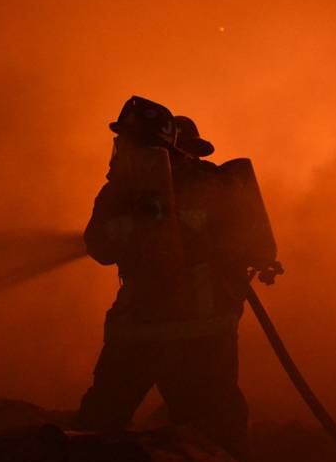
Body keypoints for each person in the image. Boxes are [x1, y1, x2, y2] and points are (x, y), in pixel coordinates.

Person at [74, 96, 250, 460]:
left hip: (140, 334)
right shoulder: (213, 185)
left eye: (125, 141)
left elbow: (99, 246)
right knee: (214, 439)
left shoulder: (119, 192)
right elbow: (243, 247)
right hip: (200, 337)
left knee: (95, 430)